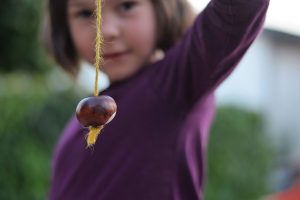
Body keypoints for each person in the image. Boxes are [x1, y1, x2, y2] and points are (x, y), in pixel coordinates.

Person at [44, 0, 269, 199]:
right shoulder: (87, 115)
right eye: (84, 14)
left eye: (126, 6)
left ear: (162, 7)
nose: (106, 31)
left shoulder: (177, 83)